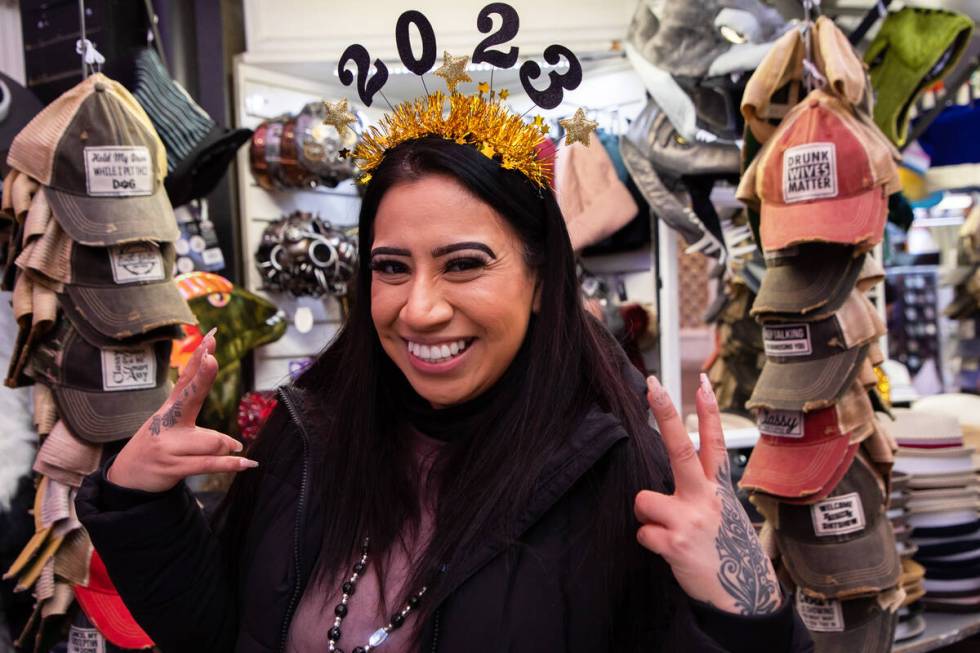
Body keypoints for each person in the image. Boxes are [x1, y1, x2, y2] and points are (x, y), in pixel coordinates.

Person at [76, 135, 811, 652]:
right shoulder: (311, 437)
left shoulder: (620, 476)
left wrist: (744, 613)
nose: (419, 307)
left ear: (542, 282)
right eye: (392, 268)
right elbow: (220, 633)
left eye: (463, 264)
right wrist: (141, 507)